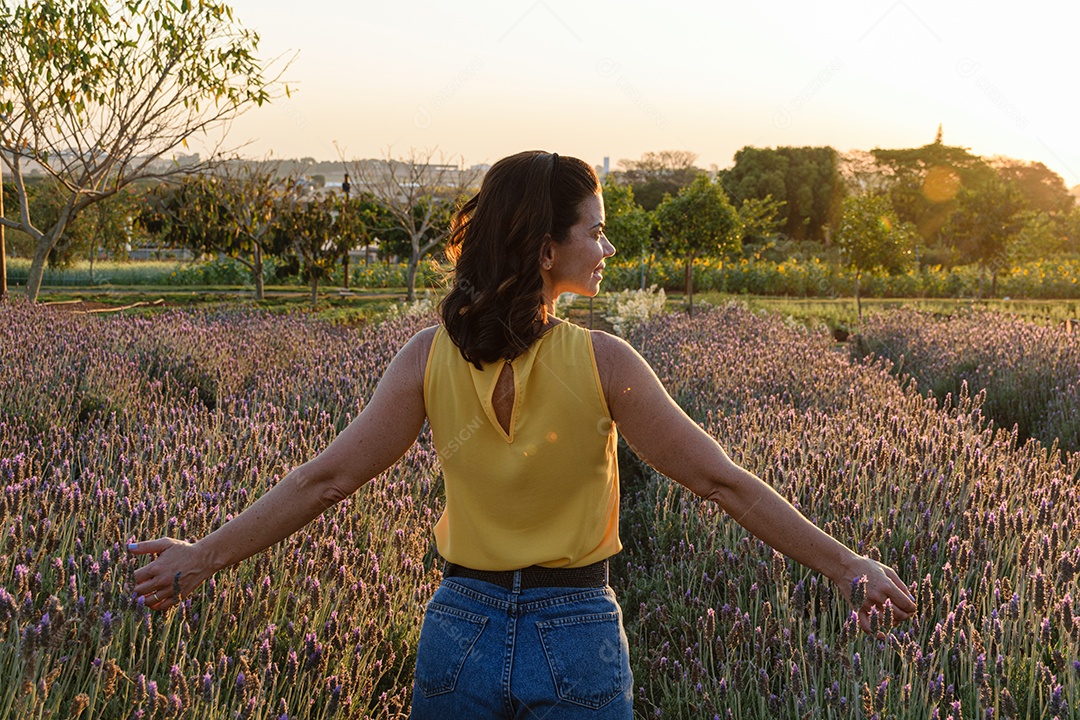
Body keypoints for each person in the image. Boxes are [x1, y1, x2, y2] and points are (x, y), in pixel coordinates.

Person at [129, 150, 916, 718]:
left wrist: (203, 558)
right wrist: (848, 566)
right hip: (575, 633)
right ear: (546, 250)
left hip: (458, 630)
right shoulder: (605, 362)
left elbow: (325, 479)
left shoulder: (426, 357)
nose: (607, 249)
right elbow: (721, 482)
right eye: (595, 233)